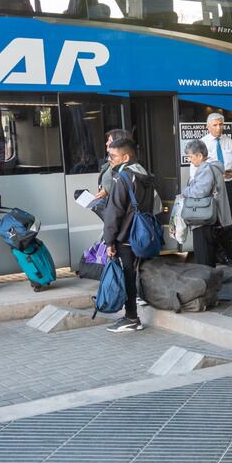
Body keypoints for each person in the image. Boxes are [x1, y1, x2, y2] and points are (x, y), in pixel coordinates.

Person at [100, 136, 158, 333]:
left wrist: (109, 241)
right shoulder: (144, 174)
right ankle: (132, 316)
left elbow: (114, 213)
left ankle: (131, 317)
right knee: (135, 274)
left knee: (126, 276)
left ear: (125, 157)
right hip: (142, 234)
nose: (110, 159)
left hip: (125, 236)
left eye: (113, 156)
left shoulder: (121, 178)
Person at [182, 140, 232, 267]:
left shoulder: (205, 168)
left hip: (203, 218)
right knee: (209, 253)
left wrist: (185, 190)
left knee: (203, 255)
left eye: (191, 157)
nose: (190, 160)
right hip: (212, 216)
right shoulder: (213, 166)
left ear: (199, 155)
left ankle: (207, 282)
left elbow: (200, 191)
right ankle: (212, 279)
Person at [200, 112, 232, 191]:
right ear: (208, 127)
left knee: (229, 203)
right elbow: (195, 166)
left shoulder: (229, 142)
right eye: (215, 125)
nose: (219, 128)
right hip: (209, 184)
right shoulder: (202, 143)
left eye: (221, 124)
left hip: (227, 184)